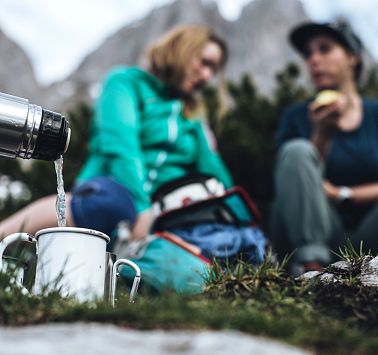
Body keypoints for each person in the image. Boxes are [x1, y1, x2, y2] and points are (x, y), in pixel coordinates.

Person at [0, 25, 233, 242]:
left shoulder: (194, 114)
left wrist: (235, 209)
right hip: (113, 187)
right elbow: (121, 146)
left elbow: (212, 170)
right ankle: (4, 234)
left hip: (164, 206)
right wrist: (142, 209)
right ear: (182, 50)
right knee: (112, 204)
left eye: (213, 70)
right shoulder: (125, 83)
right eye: (204, 63)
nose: (206, 77)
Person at [271, 20, 378, 275]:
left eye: (325, 49)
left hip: (369, 234)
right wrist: (320, 134)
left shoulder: (375, 114)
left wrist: (342, 193)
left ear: (352, 57)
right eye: (308, 54)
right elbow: (295, 180)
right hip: (318, 235)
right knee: (297, 150)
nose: (313, 60)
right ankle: (311, 267)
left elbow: (331, 190)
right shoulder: (297, 117)